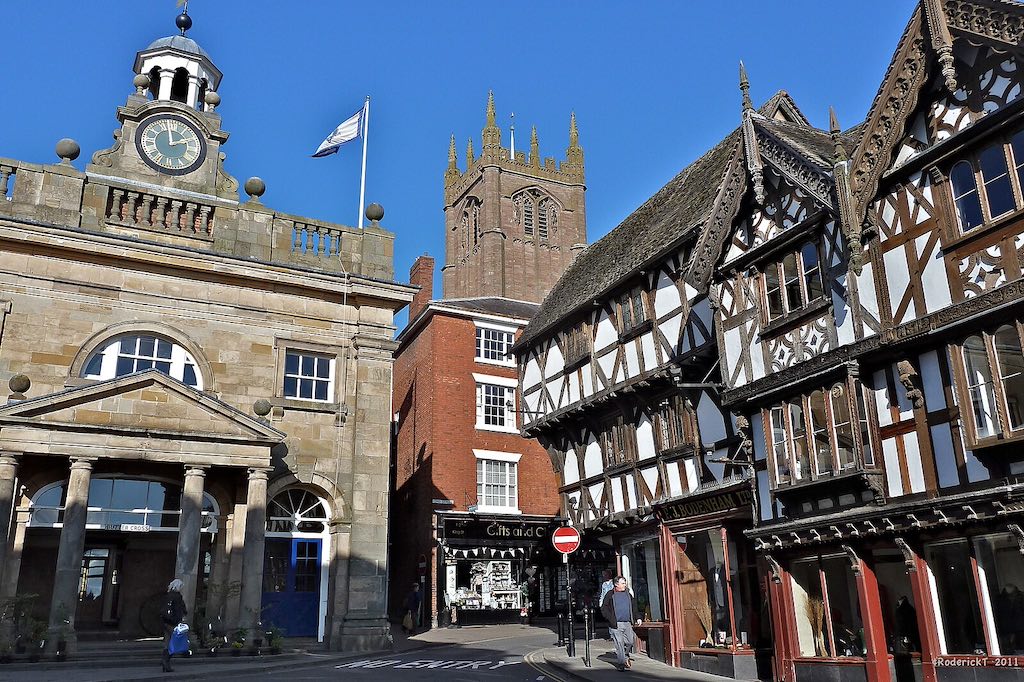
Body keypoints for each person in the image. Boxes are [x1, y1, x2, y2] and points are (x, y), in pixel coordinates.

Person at [601, 576, 642, 672]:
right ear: (616, 584)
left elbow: (634, 606)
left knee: (630, 642)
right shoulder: (610, 594)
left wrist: (638, 617)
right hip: (616, 624)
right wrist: (611, 619)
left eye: (625, 583)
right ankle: (621, 663)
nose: (625, 585)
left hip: (627, 622)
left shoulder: (628, 593)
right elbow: (604, 608)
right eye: (623, 583)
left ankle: (625, 655)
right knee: (619, 644)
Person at [160, 578, 187, 673]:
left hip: (166, 622)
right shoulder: (177, 597)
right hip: (173, 622)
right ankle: (166, 661)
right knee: (174, 643)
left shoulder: (168, 595)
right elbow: (181, 609)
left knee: (167, 642)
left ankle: (165, 662)